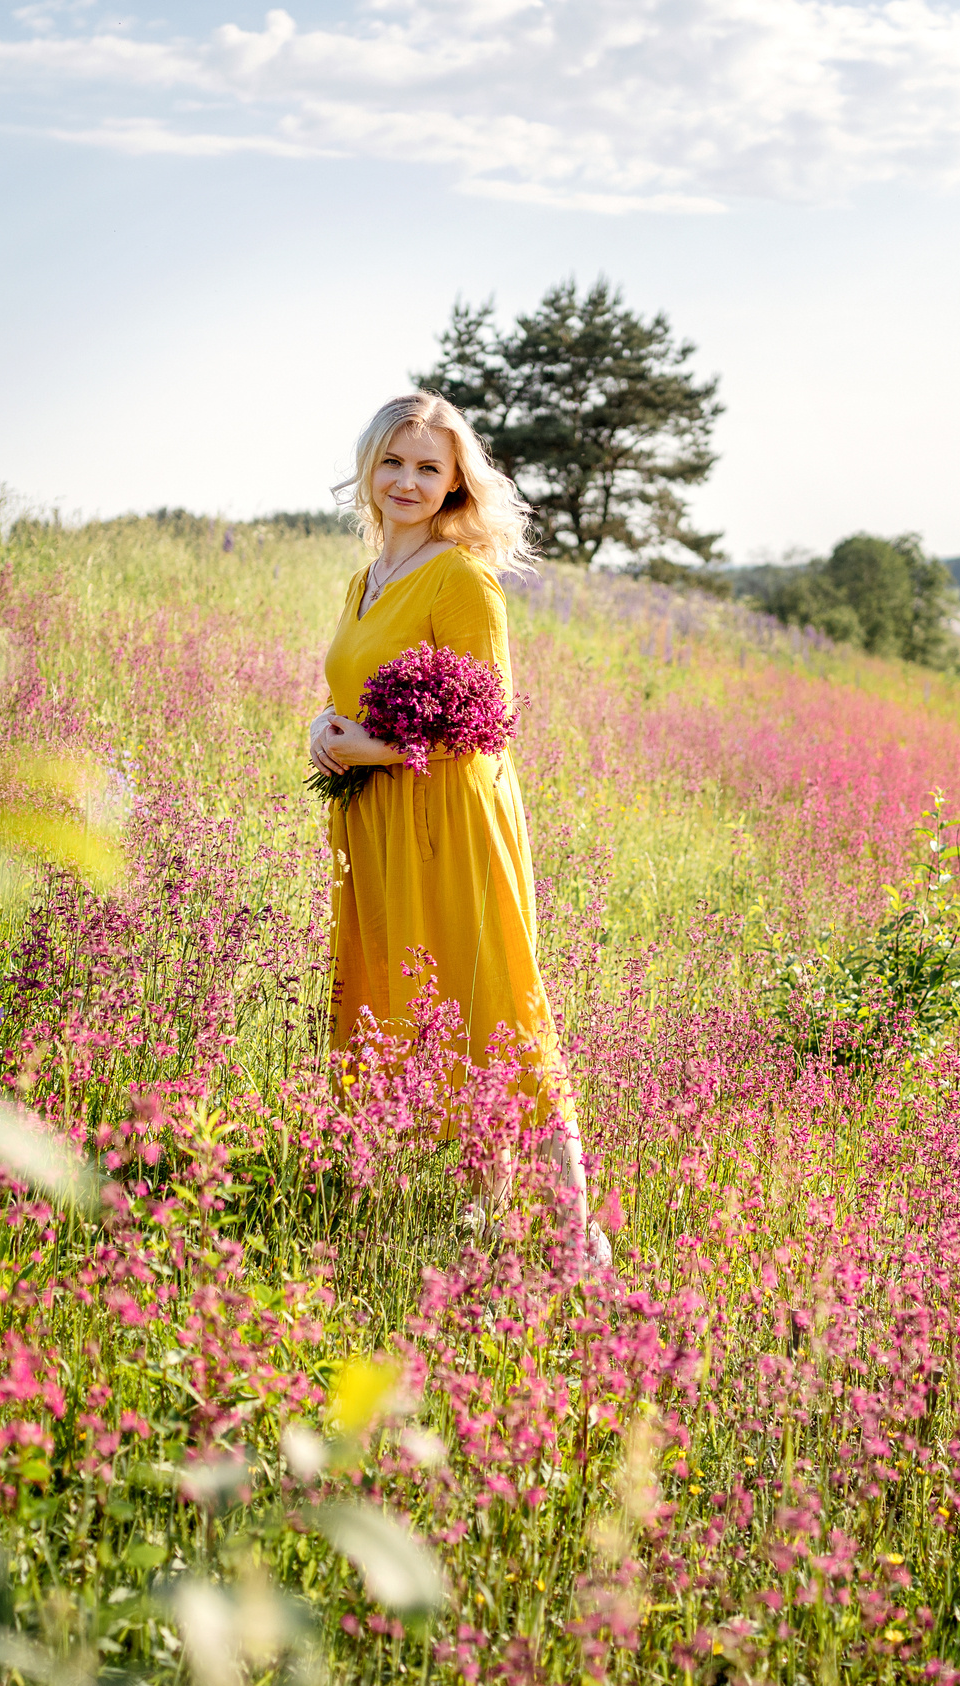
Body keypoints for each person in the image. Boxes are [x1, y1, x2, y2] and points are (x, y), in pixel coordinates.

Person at [306, 391, 609, 1266]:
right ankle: (489, 1196)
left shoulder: (461, 576)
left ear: (454, 485)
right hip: (382, 819)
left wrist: (365, 746)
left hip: (451, 817)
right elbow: (355, 688)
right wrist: (326, 729)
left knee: (497, 1004)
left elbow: (488, 720)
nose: (406, 480)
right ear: (369, 467)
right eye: (393, 461)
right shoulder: (366, 578)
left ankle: (572, 1236)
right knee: (413, 999)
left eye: (428, 467)